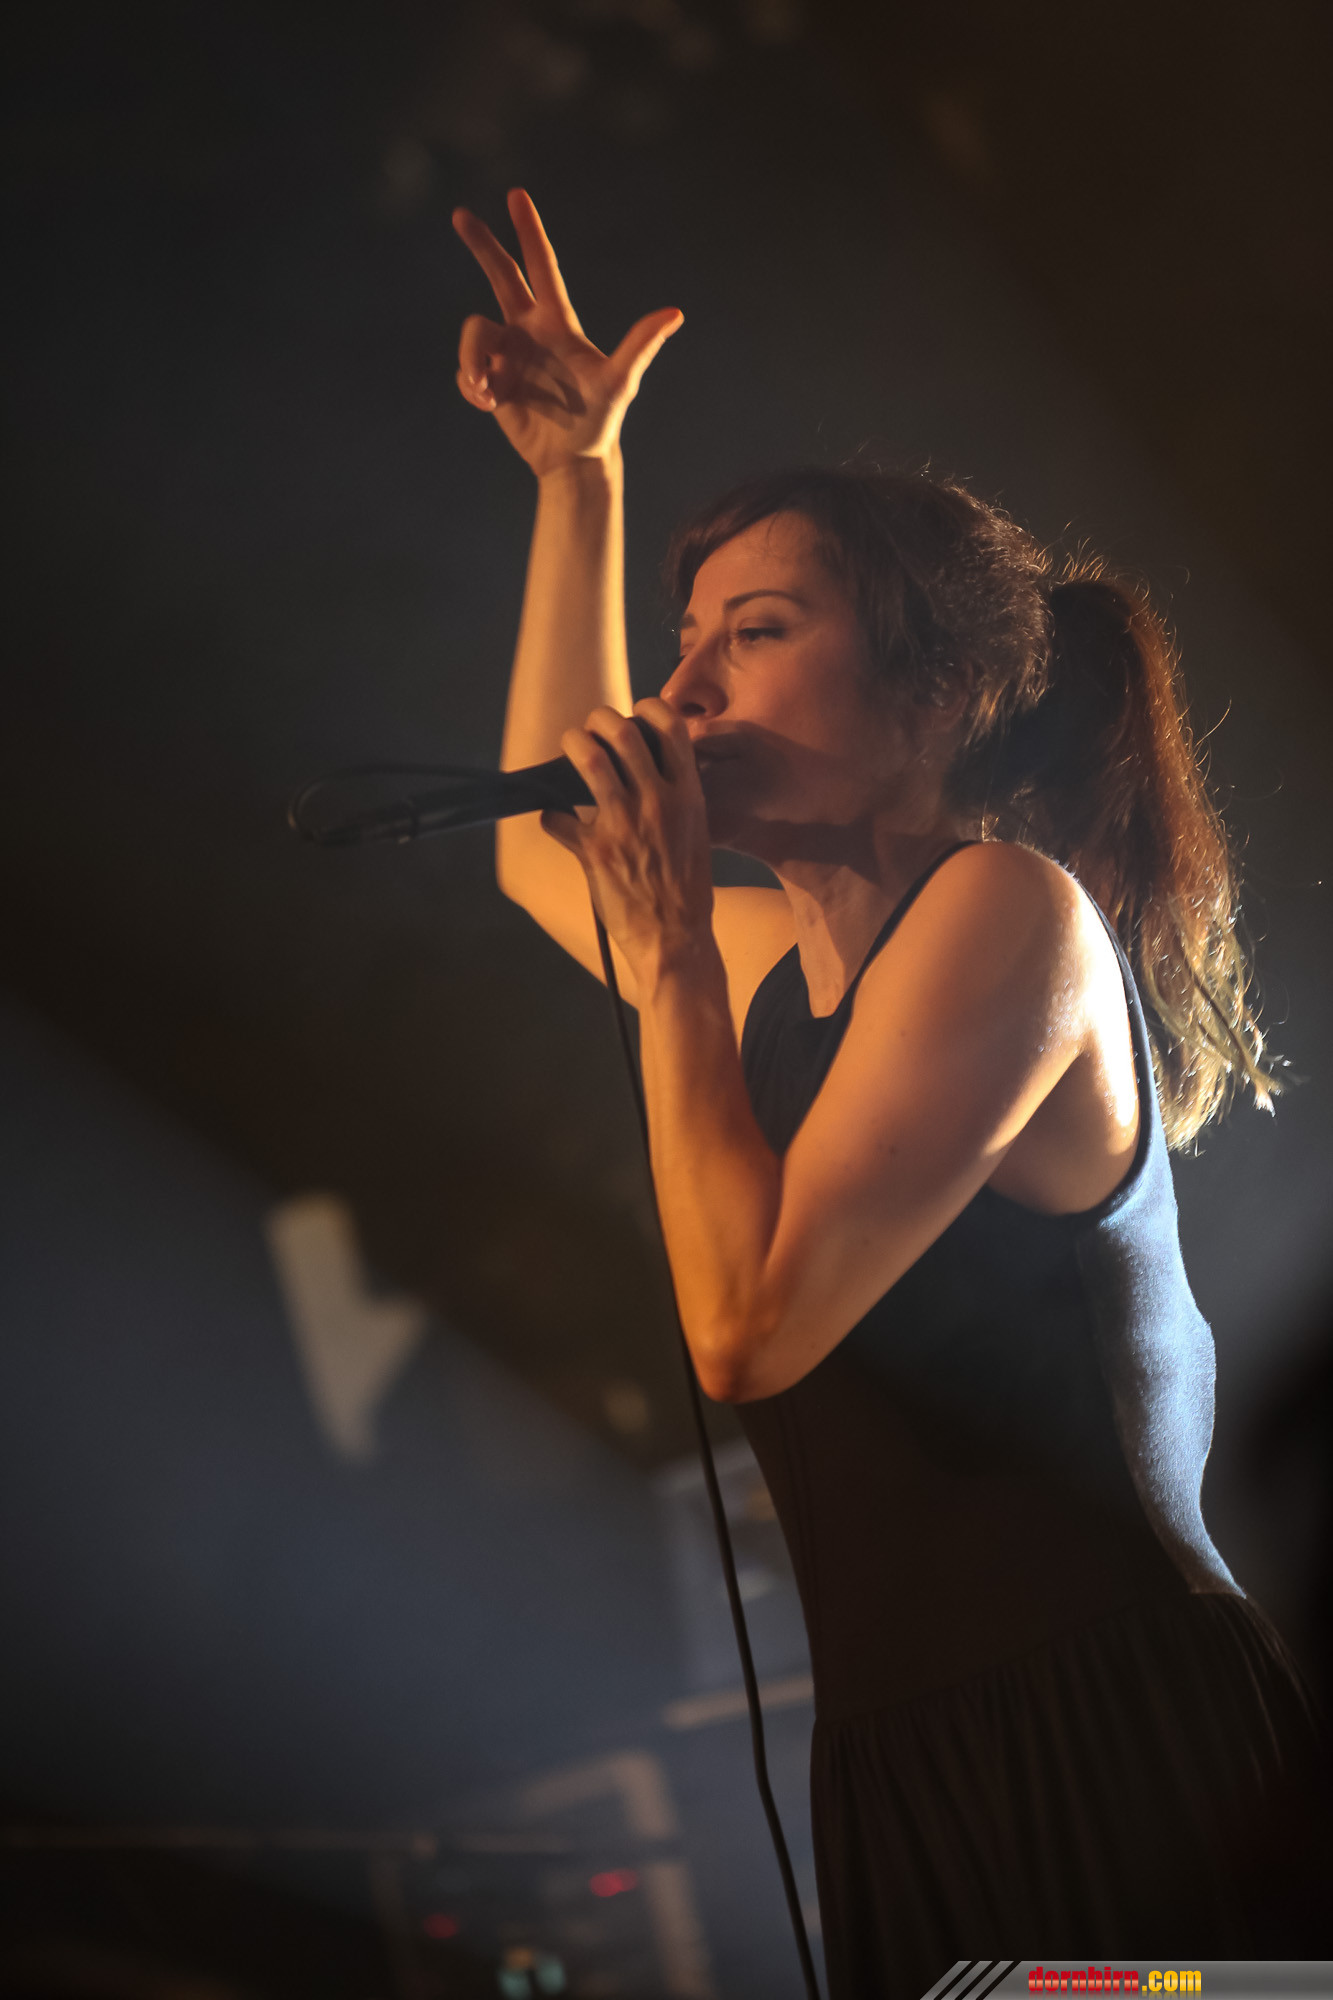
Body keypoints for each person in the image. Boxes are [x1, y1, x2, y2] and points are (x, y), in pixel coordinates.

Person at [452, 190, 1322, 1992]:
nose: (681, 688)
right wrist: (575, 482)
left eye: (754, 631)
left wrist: (672, 958)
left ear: (937, 692)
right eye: (685, 637)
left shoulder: (1006, 911)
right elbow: (537, 856)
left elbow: (748, 1327)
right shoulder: (783, 965)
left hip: (1113, 1737)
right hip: (904, 1765)